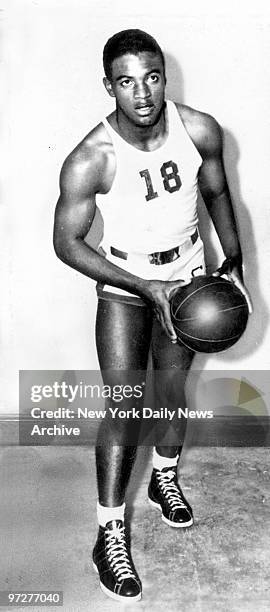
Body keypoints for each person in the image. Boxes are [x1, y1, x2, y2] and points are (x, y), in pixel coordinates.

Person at [53, 29, 252, 603]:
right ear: (109, 85)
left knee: (169, 389)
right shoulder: (91, 158)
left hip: (188, 277)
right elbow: (67, 243)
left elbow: (217, 194)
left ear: (165, 75)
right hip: (126, 283)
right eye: (126, 81)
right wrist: (146, 287)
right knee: (125, 404)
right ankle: (109, 533)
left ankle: (164, 478)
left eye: (152, 77)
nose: (141, 93)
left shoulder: (198, 130)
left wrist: (231, 260)